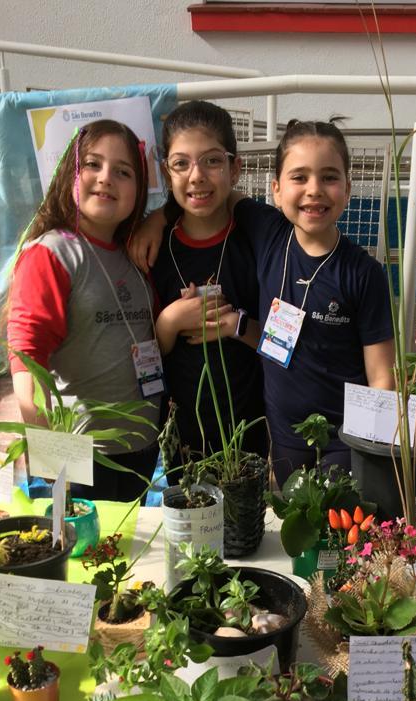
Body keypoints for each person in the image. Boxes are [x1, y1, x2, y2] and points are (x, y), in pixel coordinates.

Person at [132, 117, 394, 488]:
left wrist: (380, 460)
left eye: (329, 177)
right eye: (299, 177)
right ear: (276, 190)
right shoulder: (267, 232)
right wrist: (159, 217)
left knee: (337, 519)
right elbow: (210, 193)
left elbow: (383, 377)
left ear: (348, 188)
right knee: (293, 516)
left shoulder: (365, 273)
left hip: (345, 439)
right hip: (285, 437)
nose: (314, 190)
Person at [6, 118, 162, 503]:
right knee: (87, 542)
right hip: (81, 456)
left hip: (142, 449)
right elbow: (27, 359)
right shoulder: (52, 253)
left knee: (131, 542)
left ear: (139, 188)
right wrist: (54, 460)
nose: (106, 177)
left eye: (123, 171)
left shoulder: (136, 253)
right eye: (93, 164)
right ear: (69, 174)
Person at [152, 101, 267, 467]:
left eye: (212, 161)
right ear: (166, 172)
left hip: (251, 436)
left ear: (235, 168)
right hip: (181, 441)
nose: (197, 176)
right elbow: (139, 357)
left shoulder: (258, 245)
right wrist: (169, 322)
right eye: (181, 163)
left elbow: (287, 345)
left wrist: (237, 326)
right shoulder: (153, 249)